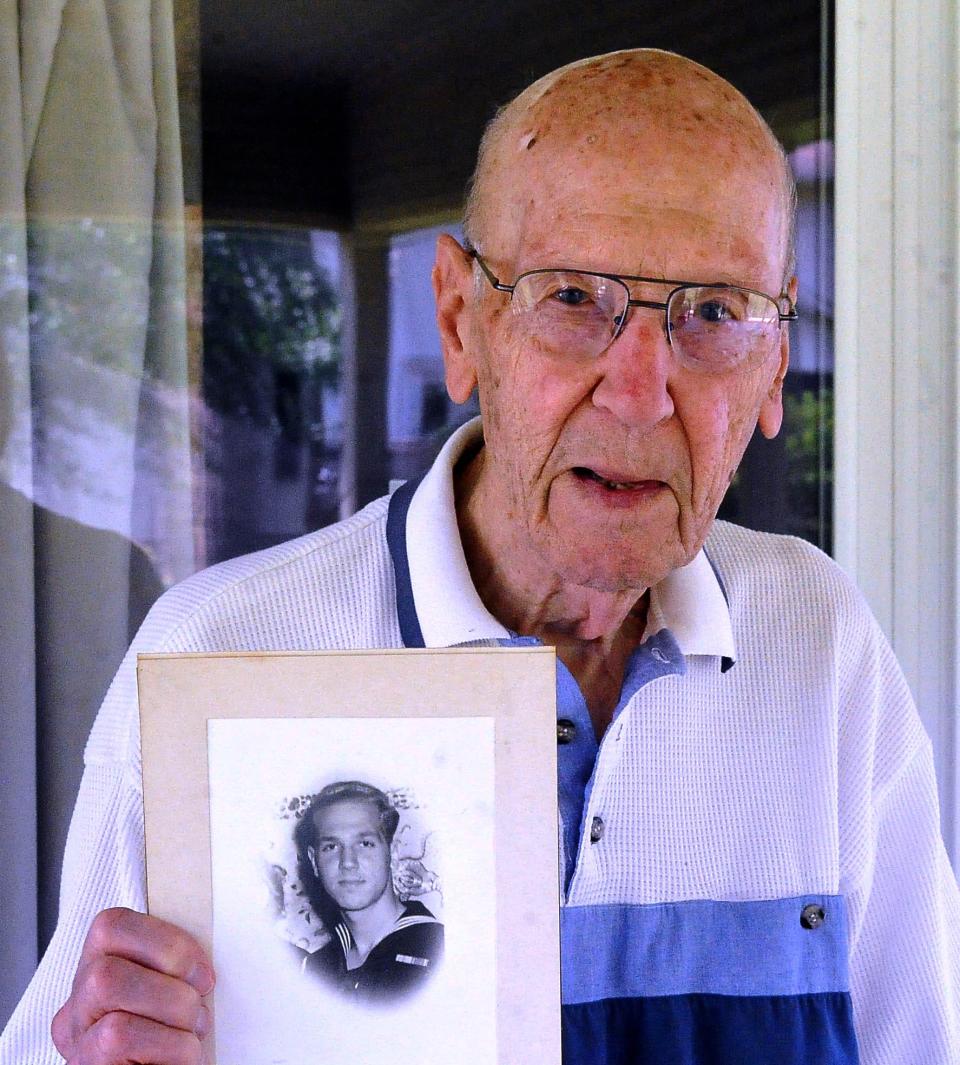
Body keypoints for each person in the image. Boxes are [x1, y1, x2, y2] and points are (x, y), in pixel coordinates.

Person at [2, 47, 958, 1065]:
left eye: (715, 314)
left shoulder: (821, 645)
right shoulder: (218, 657)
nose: (638, 392)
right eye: (575, 298)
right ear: (463, 321)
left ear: (775, 363)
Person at [292, 781, 443, 1004]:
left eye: (364, 843)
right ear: (315, 862)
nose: (348, 863)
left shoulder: (438, 951)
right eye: (331, 847)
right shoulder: (312, 970)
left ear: (392, 851)